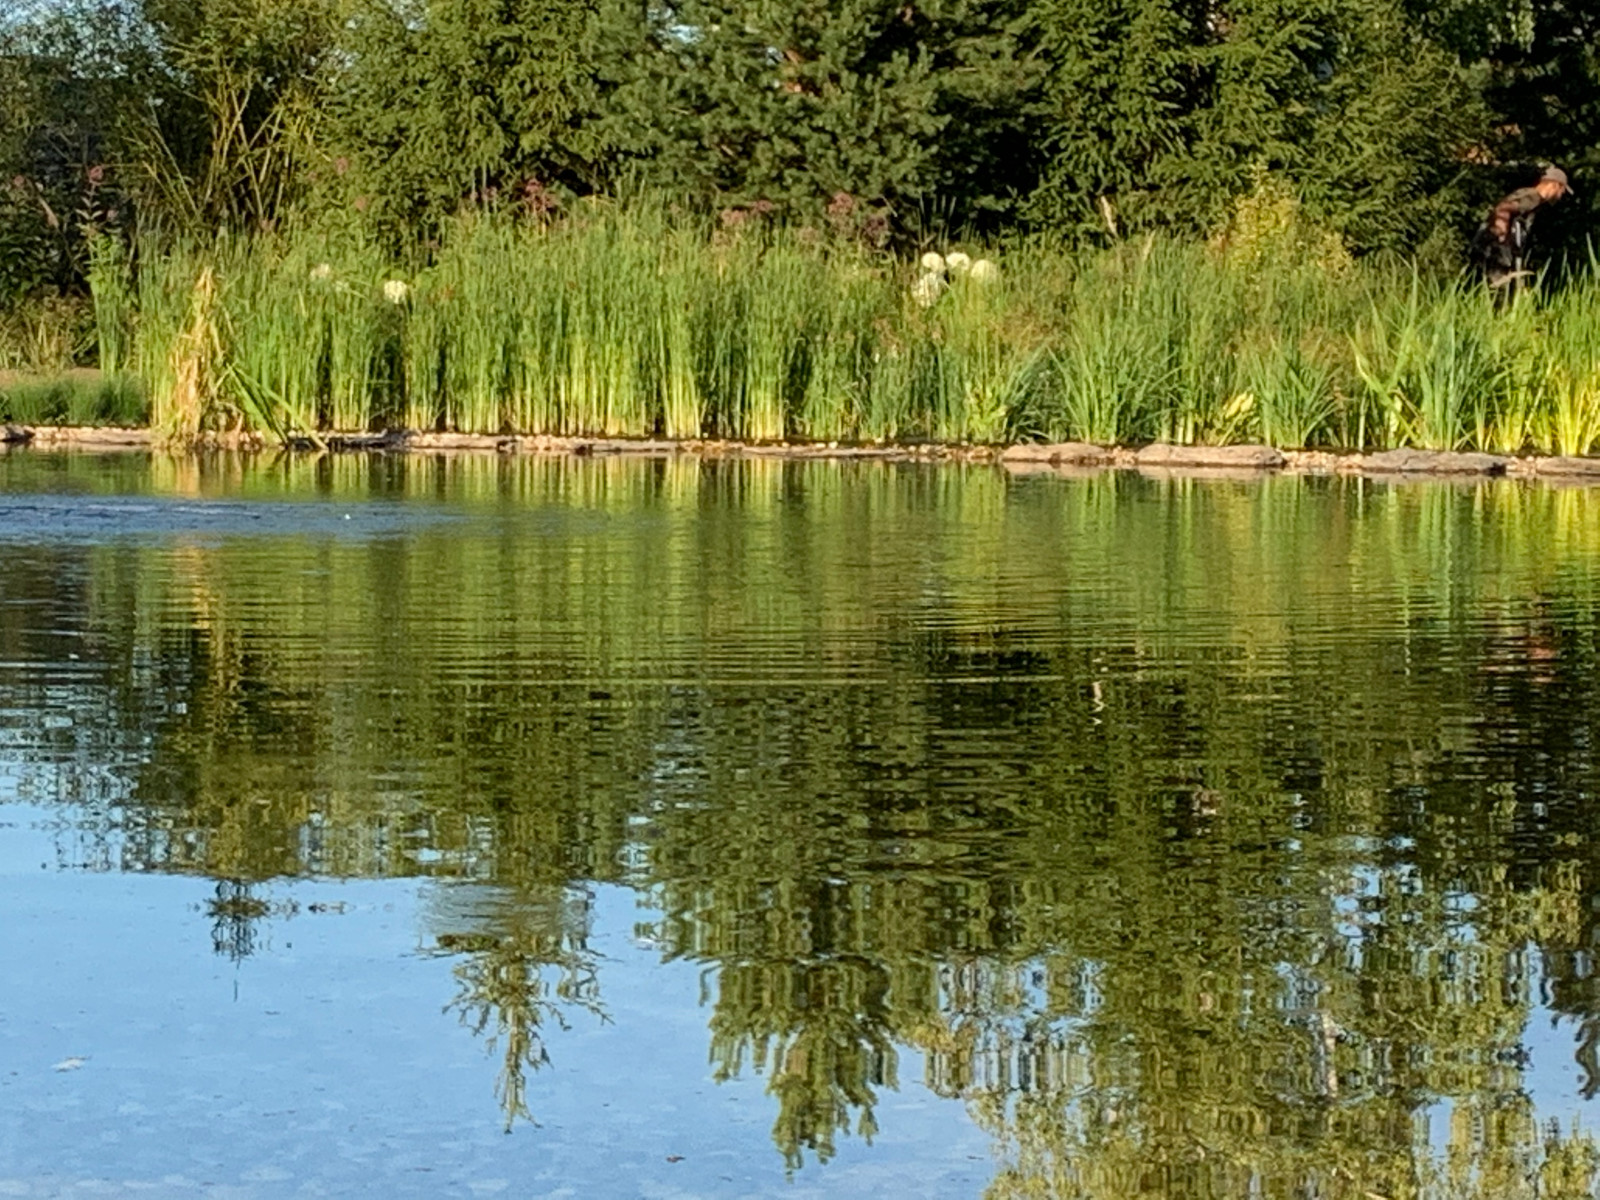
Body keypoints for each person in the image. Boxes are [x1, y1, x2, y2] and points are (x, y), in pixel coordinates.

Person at [1474, 165, 1574, 291]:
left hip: (1496, 248)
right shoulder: (1533, 197)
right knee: (1499, 291)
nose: (1561, 195)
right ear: (1554, 185)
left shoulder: (1533, 199)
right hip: (1495, 249)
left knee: (1505, 288)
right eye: (1562, 190)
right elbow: (1503, 208)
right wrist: (1502, 239)